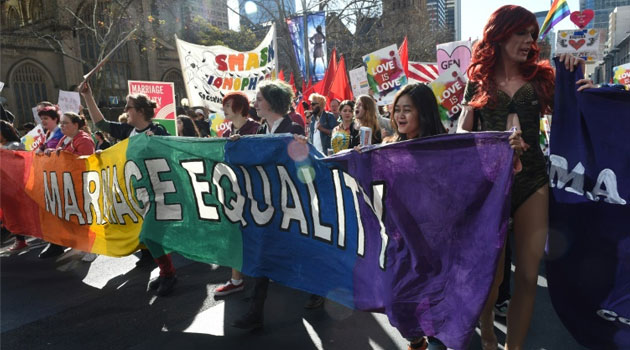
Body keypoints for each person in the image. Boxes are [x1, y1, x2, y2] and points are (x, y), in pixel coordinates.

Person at [457, 6, 594, 350]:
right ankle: (487, 332)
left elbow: (574, 112)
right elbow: (462, 131)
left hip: (533, 180)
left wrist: (586, 86)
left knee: (529, 278)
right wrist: (494, 142)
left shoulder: (542, 78)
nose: (529, 40)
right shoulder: (477, 81)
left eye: (532, 34)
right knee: (493, 277)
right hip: (491, 185)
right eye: (521, 33)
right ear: (501, 35)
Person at [80, 81, 178, 297]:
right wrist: (88, 96)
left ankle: (169, 274)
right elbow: (101, 124)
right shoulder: (127, 130)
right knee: (149, 236)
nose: (125, 111)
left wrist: (158, 143)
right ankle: (165, 272)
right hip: (137, 193)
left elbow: (170, 155)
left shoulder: (158, 130)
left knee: (151, 235)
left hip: (158, 192)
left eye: (128, 107)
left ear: (141, 111)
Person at [232, 80, 304, 330]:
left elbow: (303, 166)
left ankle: (320, 289)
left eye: (259, 99)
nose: (255, 103)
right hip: (268, 205)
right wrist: (238, 145)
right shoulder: (262, 129)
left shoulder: (292, 127)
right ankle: (256, 311)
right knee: (263, 254)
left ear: (272, 102)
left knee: (301, 251)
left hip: (291, 205)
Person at [213, 92, 260, 297]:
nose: (224, 108)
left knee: (256, 234)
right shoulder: (227, 133)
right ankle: (236, 280)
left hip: (256, 192)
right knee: (234, 234)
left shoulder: (257, 129)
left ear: (240, 108)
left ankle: (265, 276)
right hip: (234, 192)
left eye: (228, 105)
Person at [0, 120, 28, 252]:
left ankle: (20, 240)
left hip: (14, 187)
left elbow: (21, 165)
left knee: (15, 214)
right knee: (10, 215)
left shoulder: (14, 146)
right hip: (4, 188)